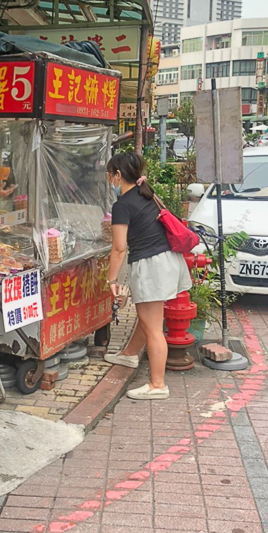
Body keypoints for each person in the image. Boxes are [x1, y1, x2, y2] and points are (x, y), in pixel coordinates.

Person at [104, 151, 191, 401]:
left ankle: (157, 385)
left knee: (153, 327)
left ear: (118, 175)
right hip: (168, 261)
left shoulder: (122, 205)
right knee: (149, 315)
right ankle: (130, 354)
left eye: (110, 175)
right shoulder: (147, 194)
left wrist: (112, 281)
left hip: (150, 266)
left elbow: (119, 248)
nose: (109, 180)